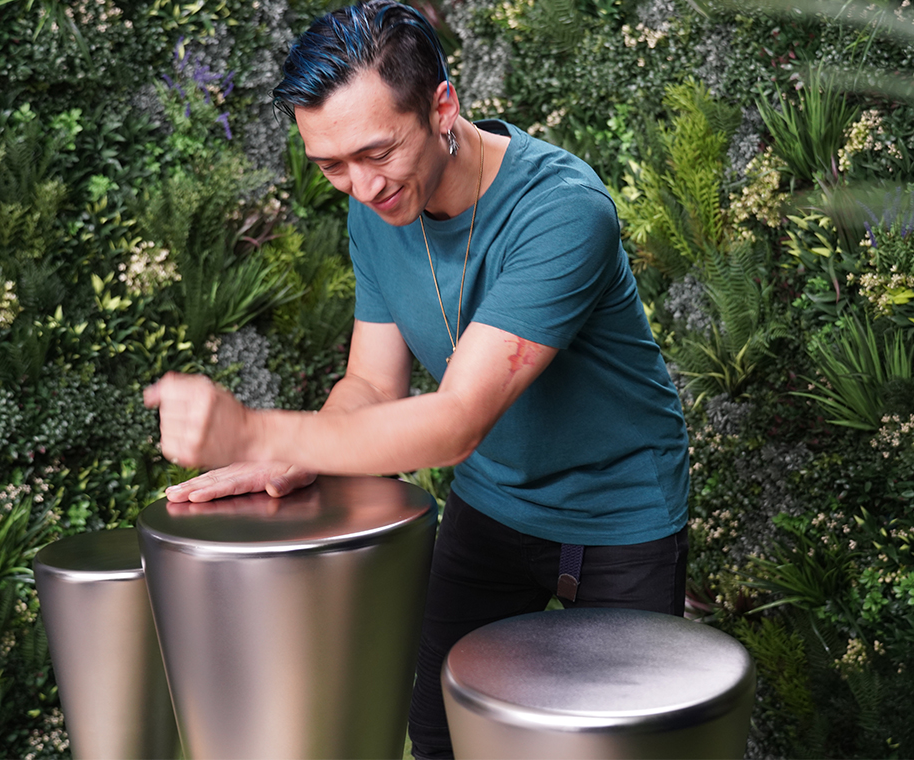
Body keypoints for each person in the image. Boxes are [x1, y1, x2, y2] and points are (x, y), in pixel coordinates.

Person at [142, 2, 690, 757]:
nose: (361, 187)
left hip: (621, 516)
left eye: (375, 153)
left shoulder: (561, 209)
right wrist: (296, 453)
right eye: (331, 167)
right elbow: (371, 383)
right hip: (493, 503)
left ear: (442, 107)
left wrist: (251, 426)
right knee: (440, 736)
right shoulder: (379, 209)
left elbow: (459, 418)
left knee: (612, 750)